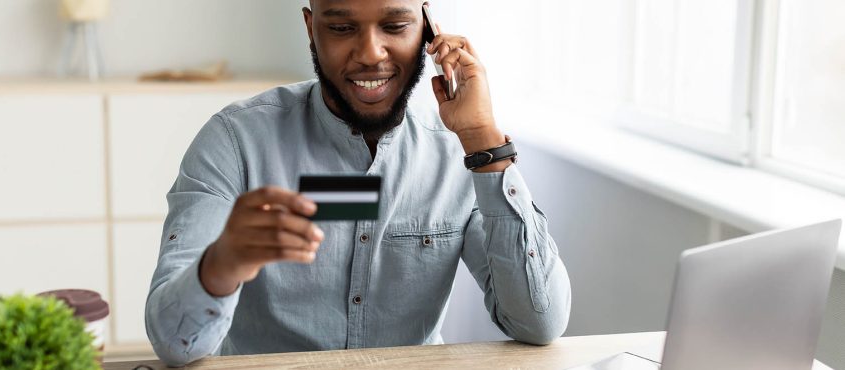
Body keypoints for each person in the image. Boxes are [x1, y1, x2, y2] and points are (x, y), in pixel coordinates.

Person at [144, 0, 571, 366]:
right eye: (342, 27)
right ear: (311, 29)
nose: (371, 53)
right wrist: (223, 264)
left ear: (428, 28)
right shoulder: (235, 142)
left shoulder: (459, 154)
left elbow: (539, 322)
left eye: (395, 25)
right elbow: (173, 343)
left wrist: (483, 140)